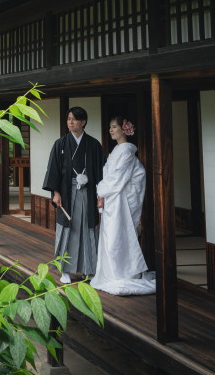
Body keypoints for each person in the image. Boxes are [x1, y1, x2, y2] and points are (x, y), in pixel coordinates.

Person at [90, 116, 156, 295]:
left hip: (121, 200)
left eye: (115, 127)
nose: (111, 130)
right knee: (110, 237)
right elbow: (109, 176)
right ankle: (112, 272)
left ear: (125, 130)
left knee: (118, 237)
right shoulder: (116, 150)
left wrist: (101, 190)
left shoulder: (127, 151)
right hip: (112, 198)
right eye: (110, 127)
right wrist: (101, 193)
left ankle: (124, 272)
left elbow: (117, 178)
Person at [43, 107, 106, 284]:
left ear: (83, 122)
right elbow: (53, 170)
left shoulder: (93, 145)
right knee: (68, 230)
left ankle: (90, 270)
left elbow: (102, 172)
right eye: (69, 118)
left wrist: (101, 195)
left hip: (89, 192)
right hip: (67, 193)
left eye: (74, 119)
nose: (70, 122)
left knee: (88, 229)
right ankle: (65, 270)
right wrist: (55, 193)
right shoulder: (60, 144)